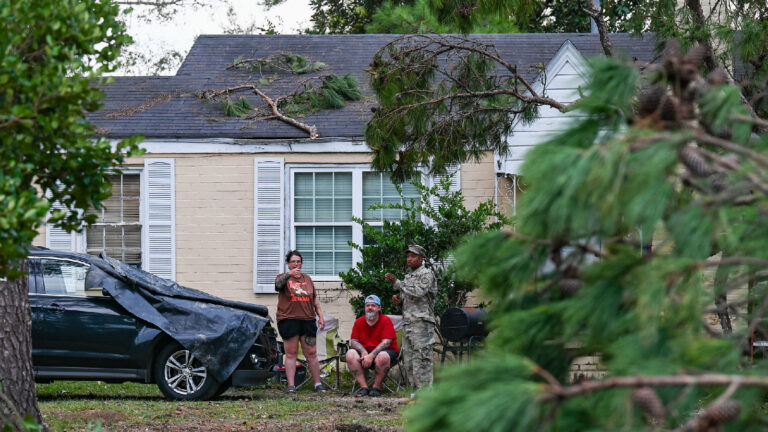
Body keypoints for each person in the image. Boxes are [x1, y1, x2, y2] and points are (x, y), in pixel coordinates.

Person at [386, 244, 437, 390]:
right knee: (408, 361)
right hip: (408, 323)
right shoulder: (408, 277)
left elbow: (419, 292)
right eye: (408, 256)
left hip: (422, 323)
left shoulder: (426, 274)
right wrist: (398, 301)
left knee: (422, 359)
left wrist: (397, 283)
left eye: (413, 256)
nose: (409, 259)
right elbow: (406, 298)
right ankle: (415, 393)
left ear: (421, 258)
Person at [275, 250, 326, 394]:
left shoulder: (307, 279)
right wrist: (288, 275)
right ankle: (291, 386)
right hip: (288, 319)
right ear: (289, 264)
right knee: (291, 353)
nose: (296, 264)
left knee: (312, 352)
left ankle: (317, 384)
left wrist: (320, 316)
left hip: (308, 319)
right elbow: (277, 285)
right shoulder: (283, 278)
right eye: (293, 262)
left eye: (298, 262)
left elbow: (314, 298)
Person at [346, 294, 400, 397]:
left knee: (382, 356)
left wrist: (371, 356)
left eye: (373, 305)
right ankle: (364, 387)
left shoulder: (385, 320)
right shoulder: (359, 322)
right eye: (368, 305)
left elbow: (386, 342)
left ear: (379, 308)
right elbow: (354, 341)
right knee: (350, 353)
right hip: (365, 353)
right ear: (365, 308)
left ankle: (376, 387)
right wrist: (364, 352)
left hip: (387, 353)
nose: (370, 308)